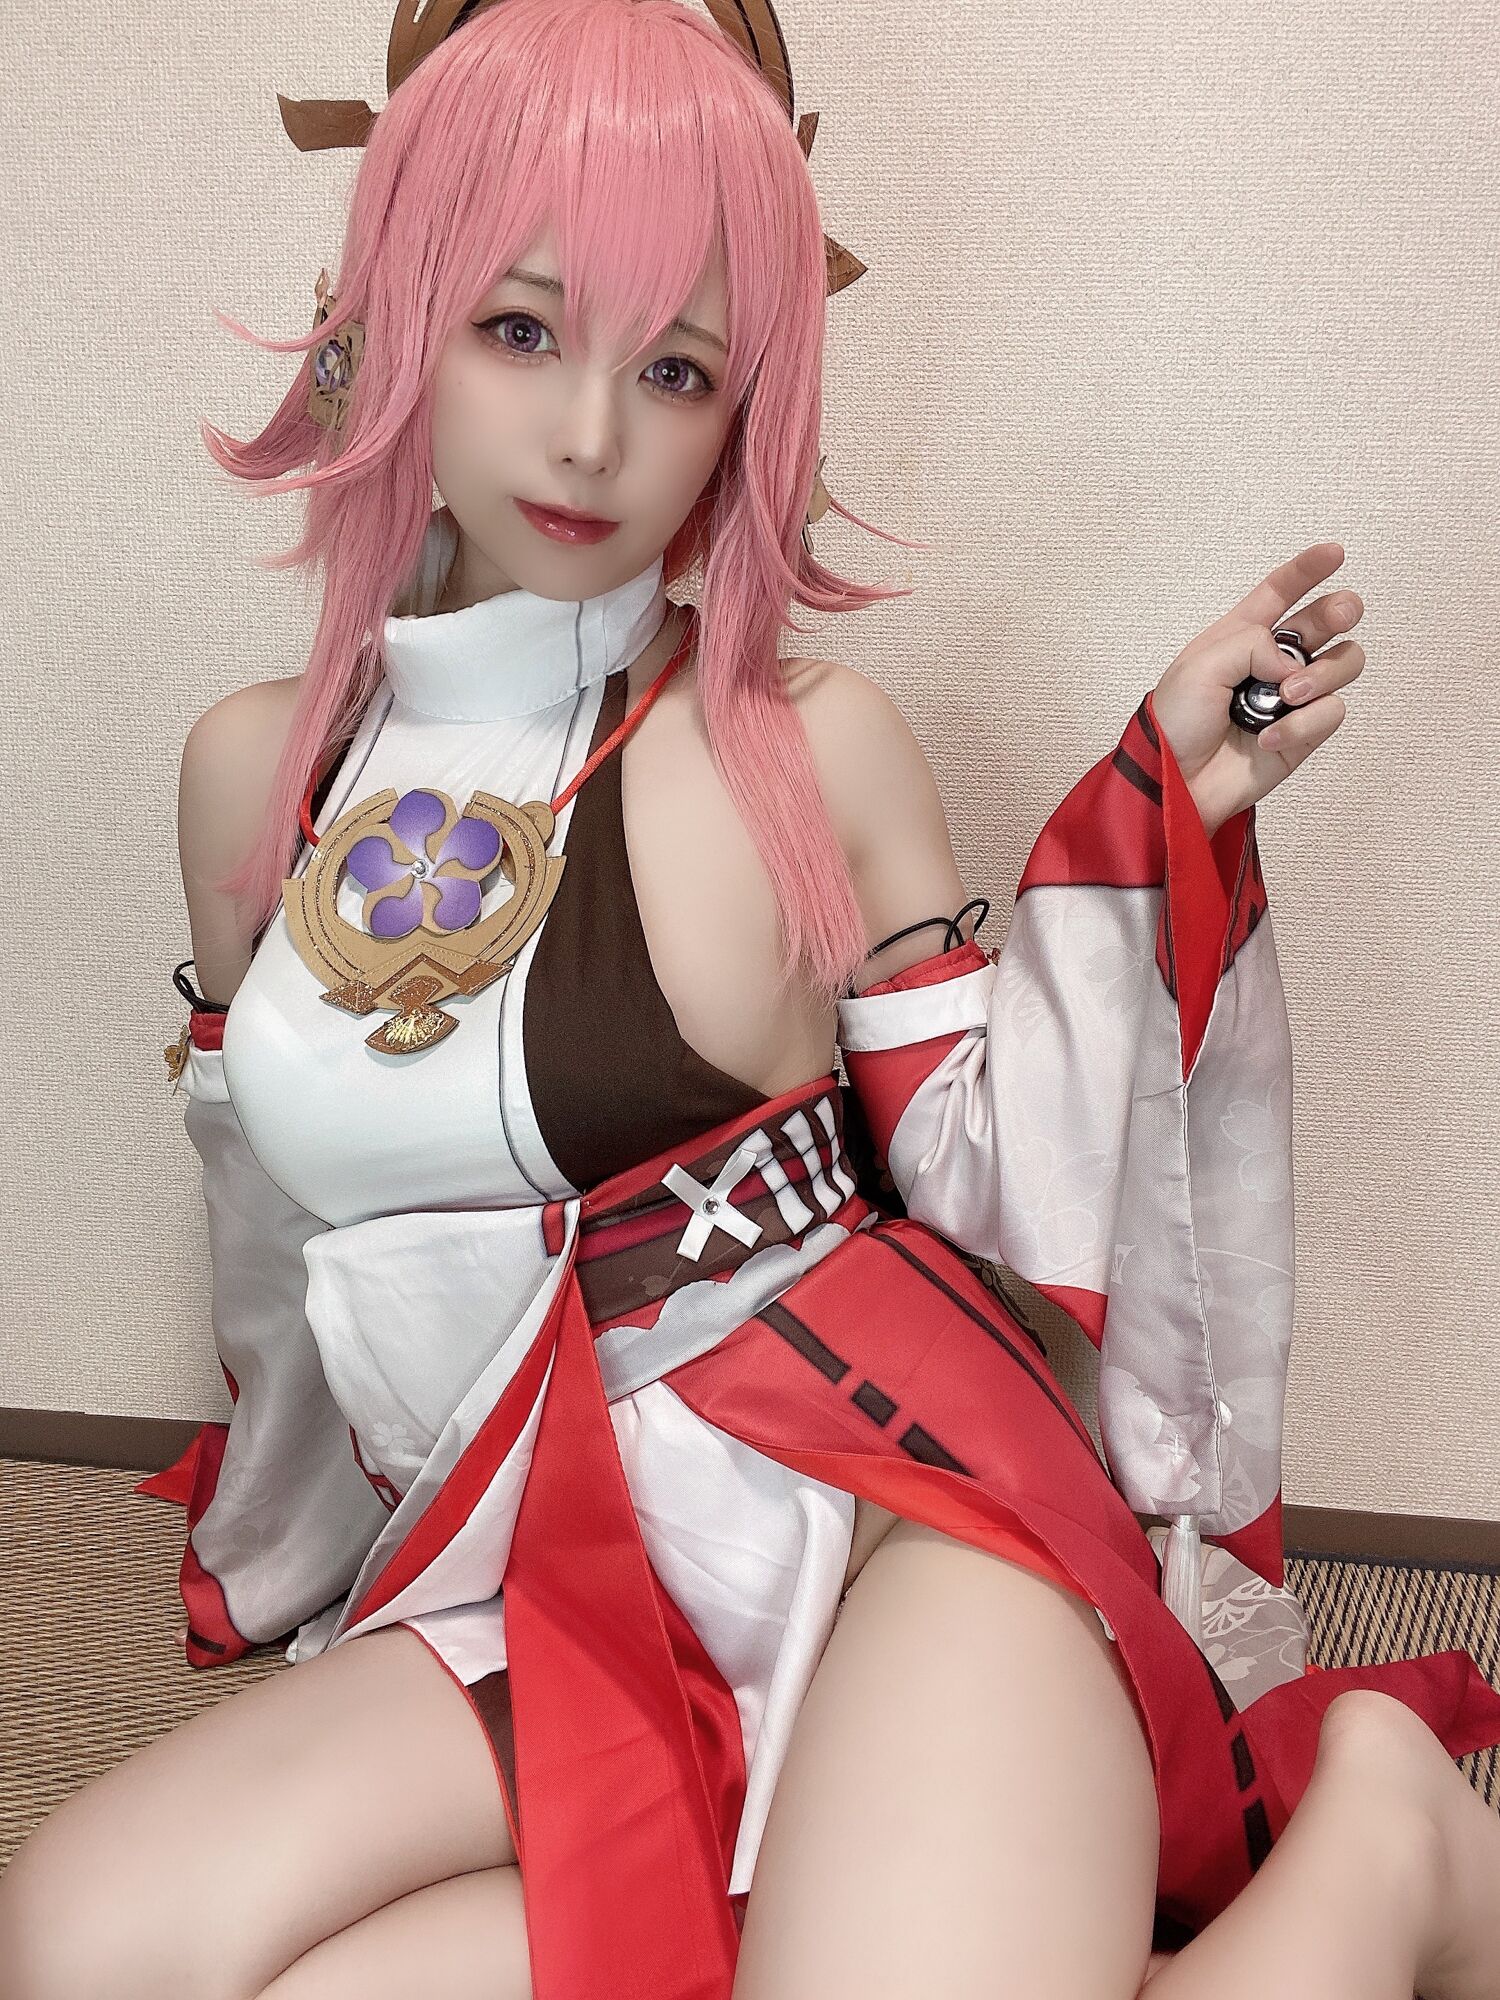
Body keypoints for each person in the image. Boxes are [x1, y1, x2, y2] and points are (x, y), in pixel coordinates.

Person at [5, 2, 1500, 1995]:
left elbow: (996, 1197)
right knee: (86, 1945)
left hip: (892, 1505)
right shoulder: (253, 773)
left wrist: (1148, 826)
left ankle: (1387, 1837)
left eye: (678, 368)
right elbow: (271, 1229)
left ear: (747, 409)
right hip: (526, 1566)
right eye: (520, 329)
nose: (594, 436)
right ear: (389, 318)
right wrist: (287, 1557)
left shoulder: (809, 742)